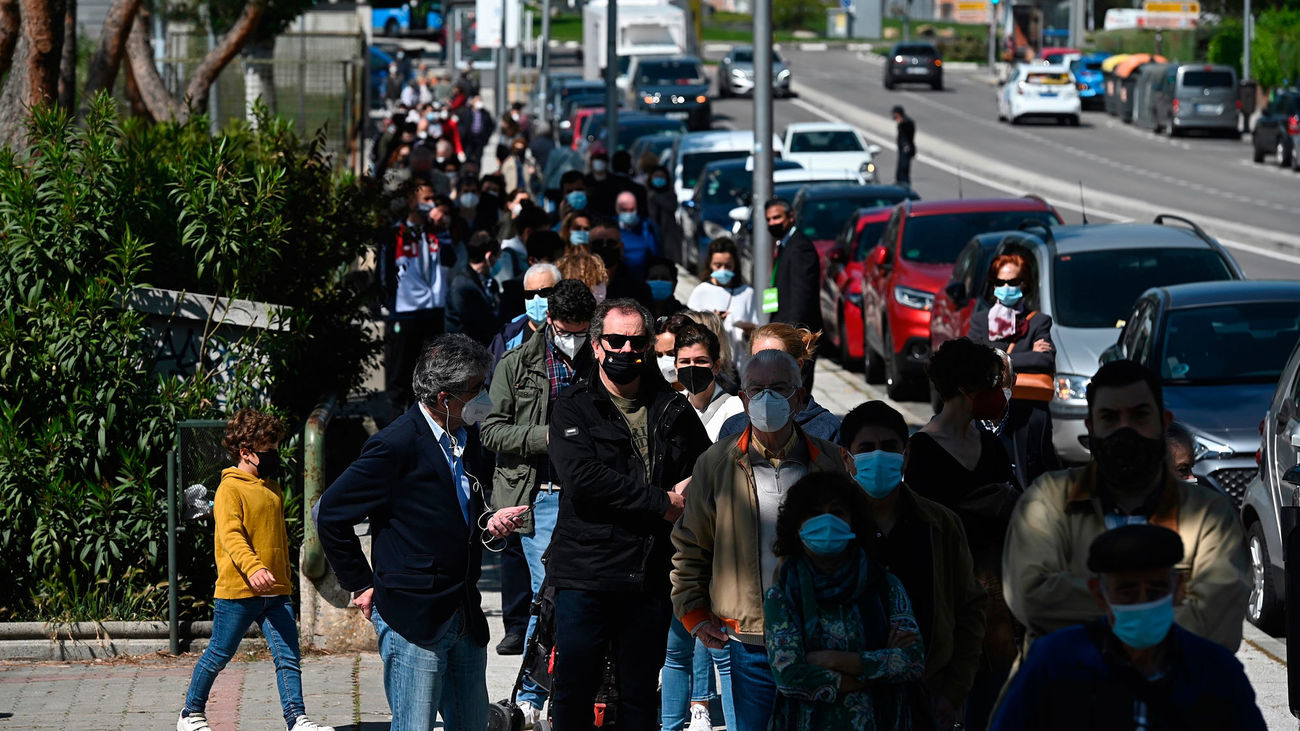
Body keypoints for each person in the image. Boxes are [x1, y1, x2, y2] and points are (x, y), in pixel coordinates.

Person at [1002, 359, 1249, 652]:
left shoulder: (1210, 517)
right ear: (1091, 426)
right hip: (1067, 691)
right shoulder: (1047, 500)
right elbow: (1030, 598)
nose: (1125, 429)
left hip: (1175, 694)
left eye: (1139, 416)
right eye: (1110, 418)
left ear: (1164, 421)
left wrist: (1088, 608)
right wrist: (1161, 608)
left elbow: (1217, 626)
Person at [545, 298, 710, 731]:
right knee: (574, 690)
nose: (624, 350)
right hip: (586, 575)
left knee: (638, 694)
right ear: (597, 346)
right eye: (614, 341)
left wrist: (695, 485)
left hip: (649, 576)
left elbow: (708, 465)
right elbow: (584, 479)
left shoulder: (672, 407)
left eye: (635, 342)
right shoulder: (572, 406)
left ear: (649, 346)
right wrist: (663, 503)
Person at [316, 335, 496, 731]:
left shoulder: (467, 437)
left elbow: (462, 510)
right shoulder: (395, 444)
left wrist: (492, 521)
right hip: (413, 617)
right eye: (475, 390)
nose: (483, 398)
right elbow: (329, 513)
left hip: (463, 612)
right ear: (445, 397)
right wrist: (361, 584)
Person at [672, 349, 852, 731]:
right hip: (749, 640)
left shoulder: (832, 462)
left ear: (800, 397)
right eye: (757, 389)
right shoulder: (715, 464)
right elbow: (691, 545)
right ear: (743, 398)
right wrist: (693, 613)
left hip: (821, 638)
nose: (767, 398)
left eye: (779, 388)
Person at [992, 524, 1267, 730]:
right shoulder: (1053, 662)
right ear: (1099, 595)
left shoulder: (1216, 671)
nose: (1142, 602)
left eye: (1156, 589)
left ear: (1178, 589)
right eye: (1127, 592)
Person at [481, 278, 598, 726]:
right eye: (568, 329)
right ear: (549, 321)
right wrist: (545, 437)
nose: (575, 338)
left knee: (582, 594)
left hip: (589, 492)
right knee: (547, 593)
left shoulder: (600, 359)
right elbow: (491, 430)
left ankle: (578, 686)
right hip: (540, 495)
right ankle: (531, 694)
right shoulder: (517, 364)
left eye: (582, 329)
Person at [177, 410, 332, 731]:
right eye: (268, 450)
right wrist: (254, 568)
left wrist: (282, 577)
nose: (274, 455)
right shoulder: (229, 490)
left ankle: (297, 719)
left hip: (275, 591)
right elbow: (231, 536)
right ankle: (190, 713)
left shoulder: (271, 488)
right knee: (219, 653)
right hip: (239, 590)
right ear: (245, 452)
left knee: (288, 657)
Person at [839, 402, 986, 728]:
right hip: (847, 701)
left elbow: (969, 607)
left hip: (926, 698)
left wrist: (953, 692)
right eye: (867, 448)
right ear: (846, 459)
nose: (879, 456)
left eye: (890, 447)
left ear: (905, 455)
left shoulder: (940, 525)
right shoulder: (828, 526)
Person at [905, 337, 1020, 731]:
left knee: (993, 704)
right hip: (948, 600)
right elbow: (924, 526)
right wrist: (978, 508)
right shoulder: (922, 449)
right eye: (990, 384)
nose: (998, 394)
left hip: (998, 602)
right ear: (966, 390)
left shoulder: (991, 444)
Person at [762, 471, 927, 730]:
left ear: (853, 521)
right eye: (814, 513)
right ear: (797, 525)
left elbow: (912, 661)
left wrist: (827, 658)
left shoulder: (885, 585)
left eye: (837, 512)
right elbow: (789, 676)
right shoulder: (783, 595)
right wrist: (875, 670)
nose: (826, 521)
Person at [966, 252, 1061, 487]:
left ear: (1024, 283)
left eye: (1013, 281)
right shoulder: (980, 321)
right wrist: (1026, 355)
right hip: (990, 412)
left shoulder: (1038, 321)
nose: (1006, 287)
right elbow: (973, 360)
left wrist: (995, 355)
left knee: (1030, 475)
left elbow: (1045, 361)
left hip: (1029, 411)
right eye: (1001, 282)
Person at [382, 178, 455, 412]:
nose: (432, 204)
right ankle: (395, 422)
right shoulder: (396, 233)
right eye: (427, 199)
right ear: (412, 202)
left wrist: (442, 229)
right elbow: (383, 271)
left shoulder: (436, 232)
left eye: (434, 199)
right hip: (405, 311)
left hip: (433, 310)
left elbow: (450, 259)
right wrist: (387, 303)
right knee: (400, 373)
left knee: (431, 372)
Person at [717, 323, 841, 442]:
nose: (765, 367)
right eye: (758, 359)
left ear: (798, 365)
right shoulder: (734, 428)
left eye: (776, 358)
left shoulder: (826, 428)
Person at [763, 198, 822, 389]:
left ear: (791, 217)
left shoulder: (800, 248)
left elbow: (801, 296)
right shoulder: (784, 245)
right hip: (785, 331)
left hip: (797, 335)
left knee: (797, 387)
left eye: (777, 217)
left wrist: (792, 335)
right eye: (769, 219)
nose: (772, 223)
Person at [687, 237, 762, 372]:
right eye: (718, 265)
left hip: (739, 365)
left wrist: (748, 331)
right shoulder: (700, 291)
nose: (723, 270)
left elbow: (756, 332)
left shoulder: (747, 293)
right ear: (710, 264)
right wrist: (712, 322)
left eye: (728, 266)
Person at [674, 323, 744, 440]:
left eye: (701, 361)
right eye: (685, 362)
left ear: (716, 366)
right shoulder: (671, 407)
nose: (692, 367)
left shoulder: (735, 409)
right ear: (676, 367)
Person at [489, 262, 561, 364]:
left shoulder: (571, 332)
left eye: (544, 293)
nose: (536, 299)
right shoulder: (506, 338)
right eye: (530, 294)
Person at [447, 231, 503, 346]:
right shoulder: (462, 285)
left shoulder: (491, 282)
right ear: (489, 256)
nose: (499, 260)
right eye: (498, 256)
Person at [591, 218, 654, 307]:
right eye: (597, 243)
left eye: (611, 243)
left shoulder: (637, 289)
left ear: (621, 248)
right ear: (588, 247)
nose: (604, 247)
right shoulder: (577, 281)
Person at [615, 191, 661, 280]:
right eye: (624, 210)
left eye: (631, 209)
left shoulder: (646, 226)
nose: (628, 214)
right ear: (617, 209)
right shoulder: (611, 228)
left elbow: (655, 253)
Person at [647, 164, 683, 265]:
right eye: (656, 176)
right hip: (651, 235)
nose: (659, 179)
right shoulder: (646, 195)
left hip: (669, 237)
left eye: (661, 177)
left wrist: (656, 197)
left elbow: (672, 207)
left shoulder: (670, 194)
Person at [458, 96, 494, 167]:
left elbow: (490, 126)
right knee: (467, 157)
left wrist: (486, 137)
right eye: (477, 101)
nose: (479, 103)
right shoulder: (466, 112)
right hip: (469, 139)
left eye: (480, 101)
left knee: (478, 158)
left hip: (480, 139)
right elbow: (462, 124)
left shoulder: (485, 113)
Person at [892, 105, 915, 188]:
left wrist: (902, 123)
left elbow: (909, 130)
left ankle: (905, 184)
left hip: (906, 149)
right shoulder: (901, 122)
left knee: (904, 167)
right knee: (900, 167)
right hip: (902, 148)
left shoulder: (906, 122)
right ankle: (899, 182)